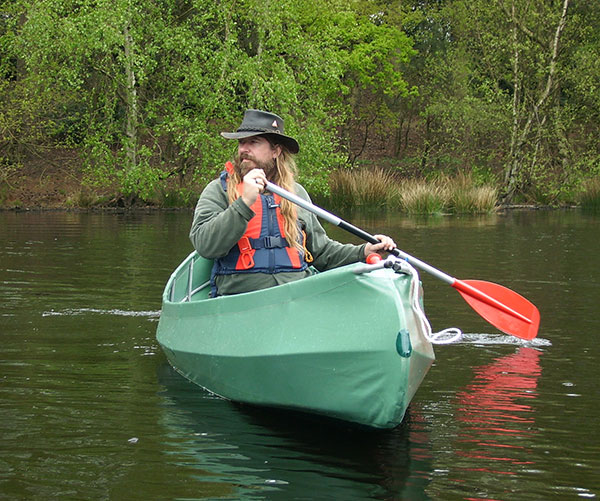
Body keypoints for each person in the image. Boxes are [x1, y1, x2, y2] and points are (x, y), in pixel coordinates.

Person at [190, 109, 396, 296]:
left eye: (254, 142)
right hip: (241, 299)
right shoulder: (219, 190)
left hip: (296, 295)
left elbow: (322, 253)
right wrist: (243, 204)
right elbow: (206, 246)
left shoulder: (296, 194)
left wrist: (363, 251)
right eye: (241, 142)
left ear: (276, 151)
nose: (244, 149)